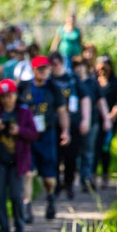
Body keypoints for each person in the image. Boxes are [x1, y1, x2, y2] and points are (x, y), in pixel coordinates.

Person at [0, 80, 38, 232]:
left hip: (17, 163)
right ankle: (4, 231)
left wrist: (19, 131)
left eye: (10, 96)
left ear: (15, 95)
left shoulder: (24, 112)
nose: (7, 100)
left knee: (16, 196)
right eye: (4, 96)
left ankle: (19, 225)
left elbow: (34, 134)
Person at [18, 55, 70, 220]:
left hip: (47, 135)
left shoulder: (54, 88)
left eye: (46, 69)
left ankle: (50, 198)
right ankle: (27, 207)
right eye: (40, 69)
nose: (44, 72)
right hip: (27, 136)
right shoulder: (24, 87)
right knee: (28, 173)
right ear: (33, 70)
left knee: (48, 178)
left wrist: (65, 130)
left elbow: (62, 111)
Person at [71, 55, 112, 192]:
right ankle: (72, 180)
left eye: (81, 65)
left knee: (88, 152)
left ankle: (86, 179)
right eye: (76, 66)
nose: (79, 69)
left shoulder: (92, 83)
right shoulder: (71, 82)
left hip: (92, 122)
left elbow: (101, 101)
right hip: (73, 123)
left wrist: (106, 119)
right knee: (74, 153)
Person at [49, 52, 85, 198]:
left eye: (56, 64)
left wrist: (85, 119)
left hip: (73, 123)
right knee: (55, 157)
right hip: (53, 124)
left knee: (71, 156)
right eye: (51, 64)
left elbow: (84, 98)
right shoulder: (48, 81)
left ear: (62, 63)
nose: (54, 67)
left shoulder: (72, 78)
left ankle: (69, 184)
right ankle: (57, 185)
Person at [95, 56, 117, 189]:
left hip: (110, 121)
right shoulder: (94, 80)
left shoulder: (115, 82)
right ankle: (92, 175)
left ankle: (105, 175)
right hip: (96, 120)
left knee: (105, 148)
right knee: (95, 148)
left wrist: (113, 114)